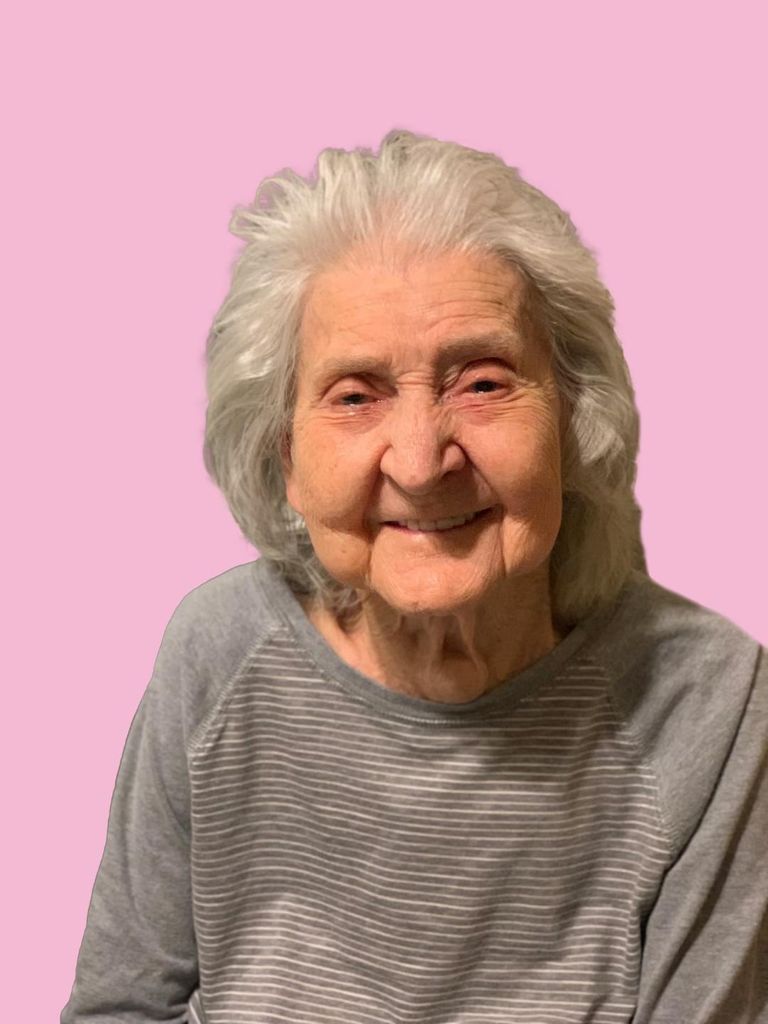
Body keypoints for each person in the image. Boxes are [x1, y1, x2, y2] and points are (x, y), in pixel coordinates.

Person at [61, 130, 767, 1023]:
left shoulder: (708, 702)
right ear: (286, 457)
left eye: (483, 383)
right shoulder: (218, 651)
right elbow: (120, 1007)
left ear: (573, 418)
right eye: (355, 396)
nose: (424, 461)